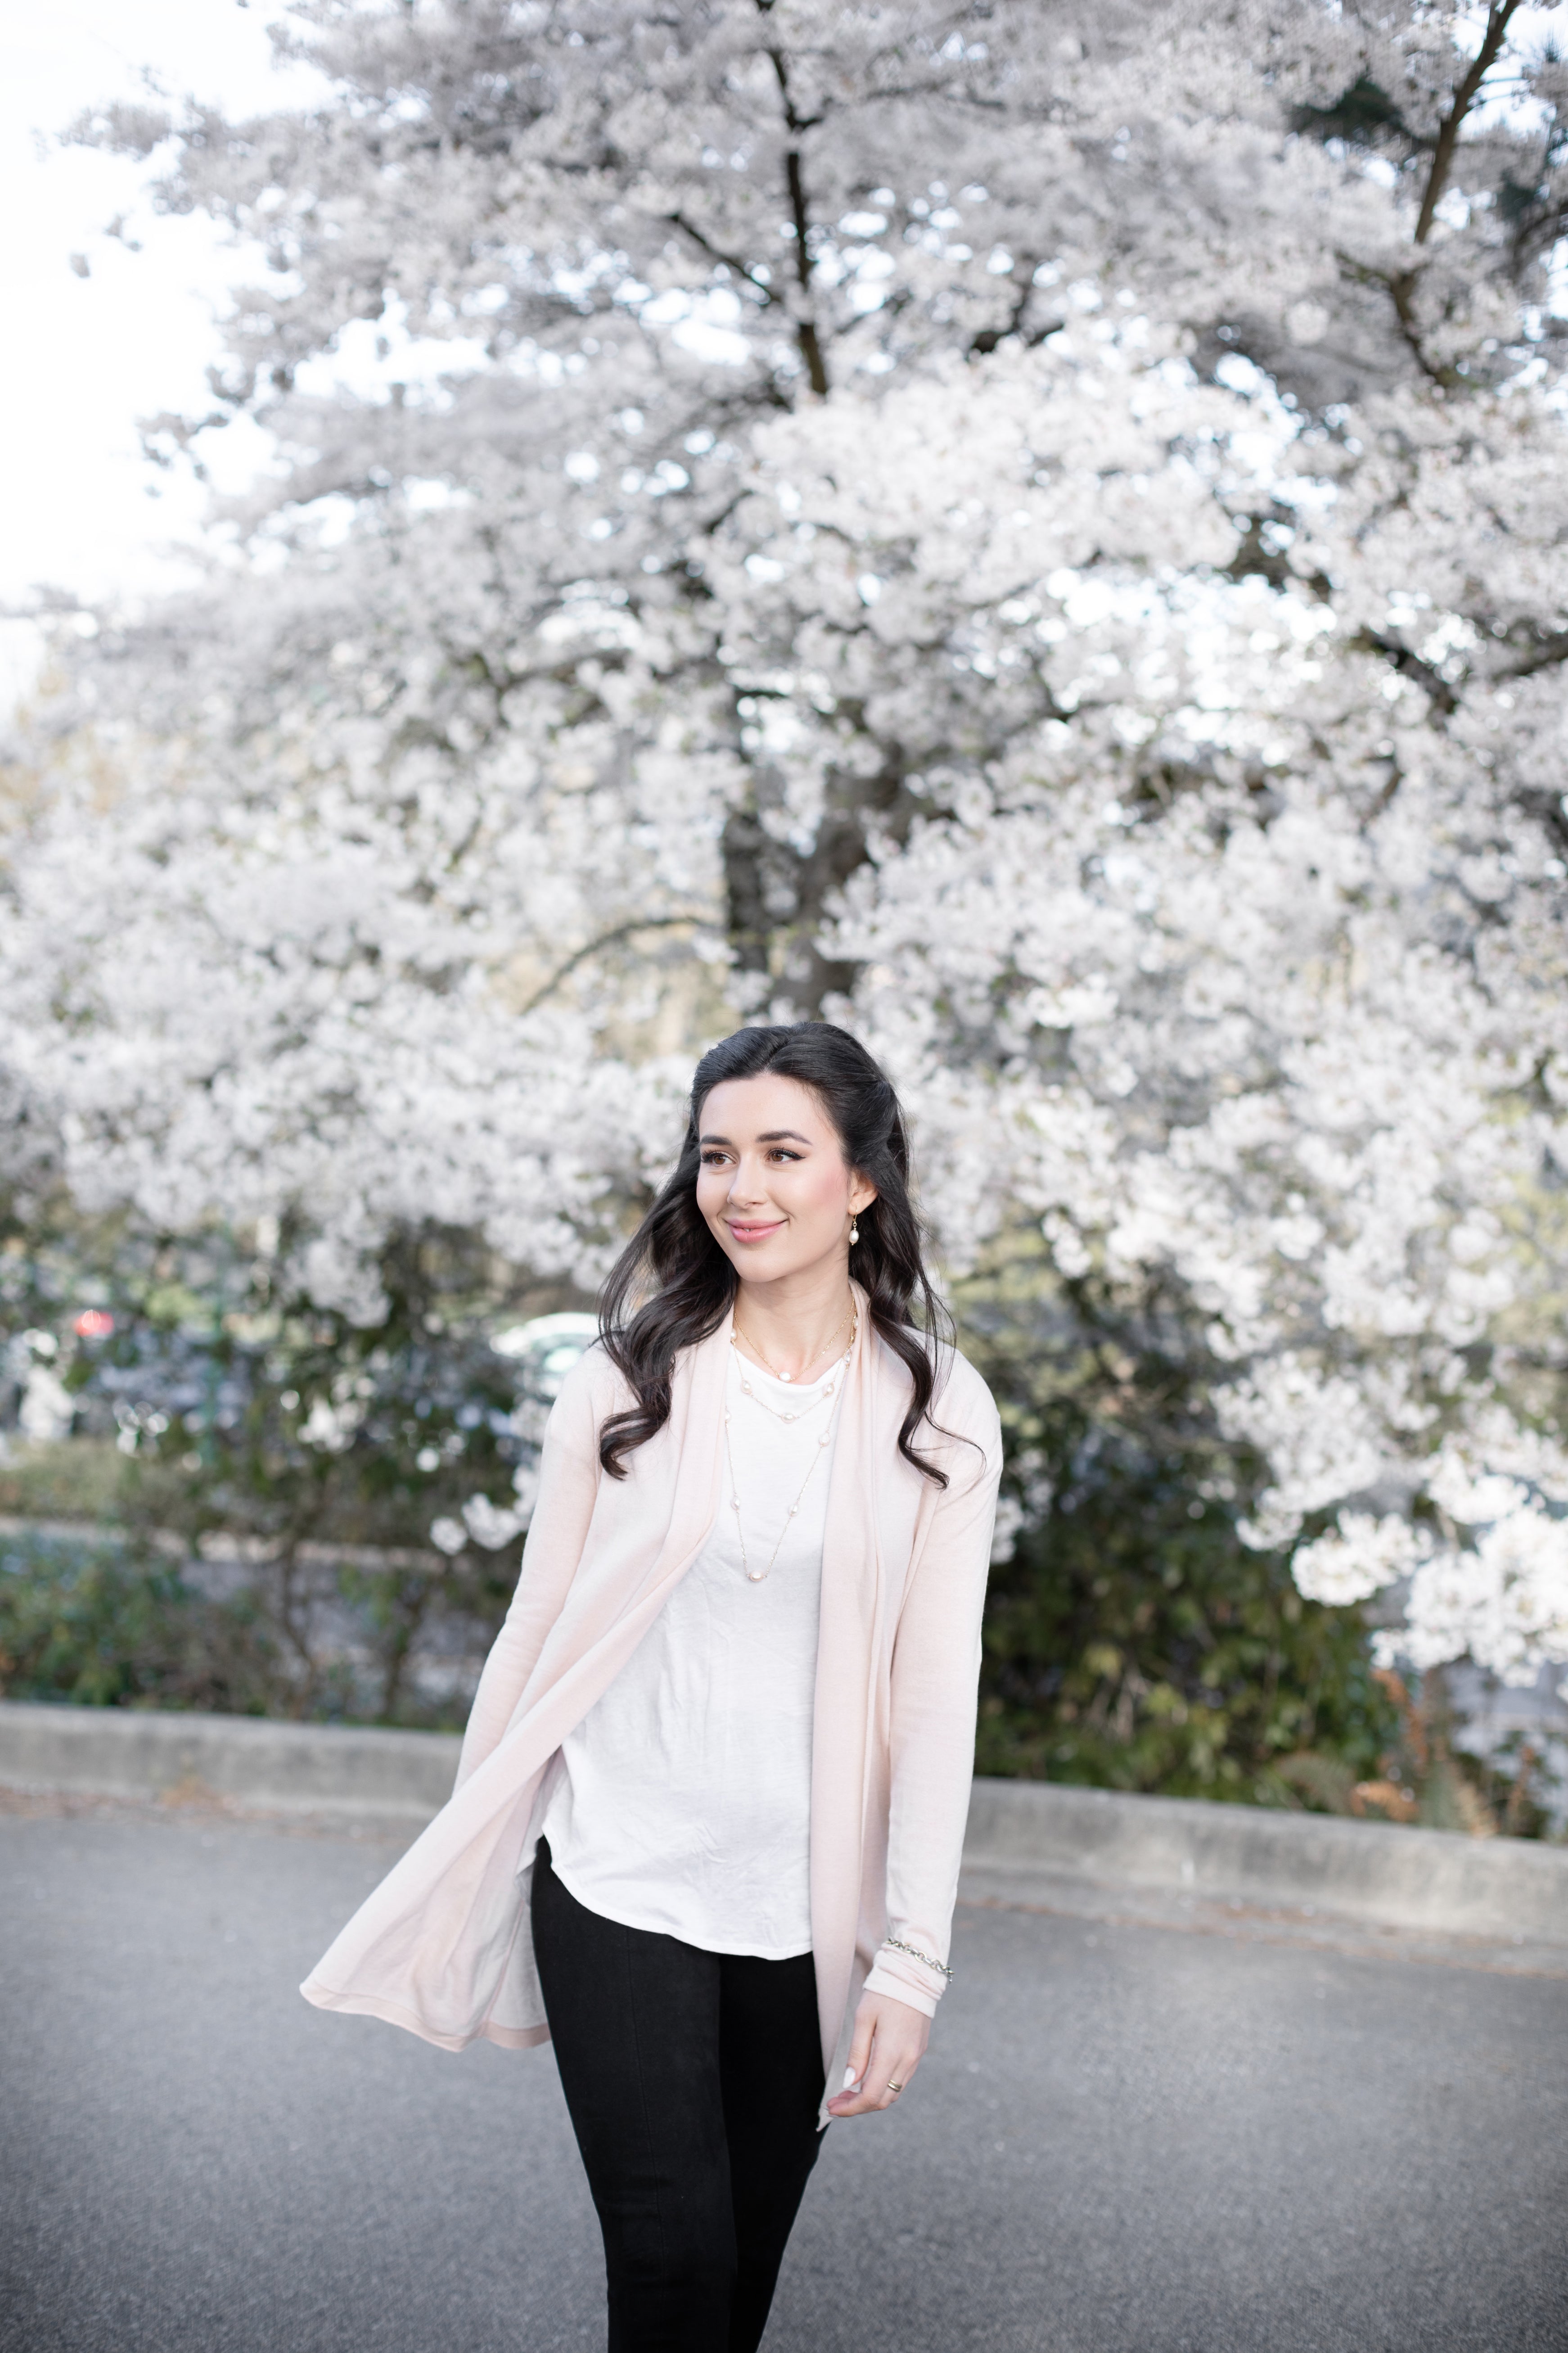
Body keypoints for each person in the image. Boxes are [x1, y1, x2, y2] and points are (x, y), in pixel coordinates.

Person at [302, 1021, 1003, 2352]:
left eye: (783, 1153)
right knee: (669, 2251)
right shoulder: (625, 1381)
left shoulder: (941, 1409)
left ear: (859, 1182)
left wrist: (911, 1957)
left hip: (806, 1908)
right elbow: (533, 1628)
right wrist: (475, 1844)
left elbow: (935, 1695)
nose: (742, 1186)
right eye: (717, 1153)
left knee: (737, 2270)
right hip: (614, 1874)